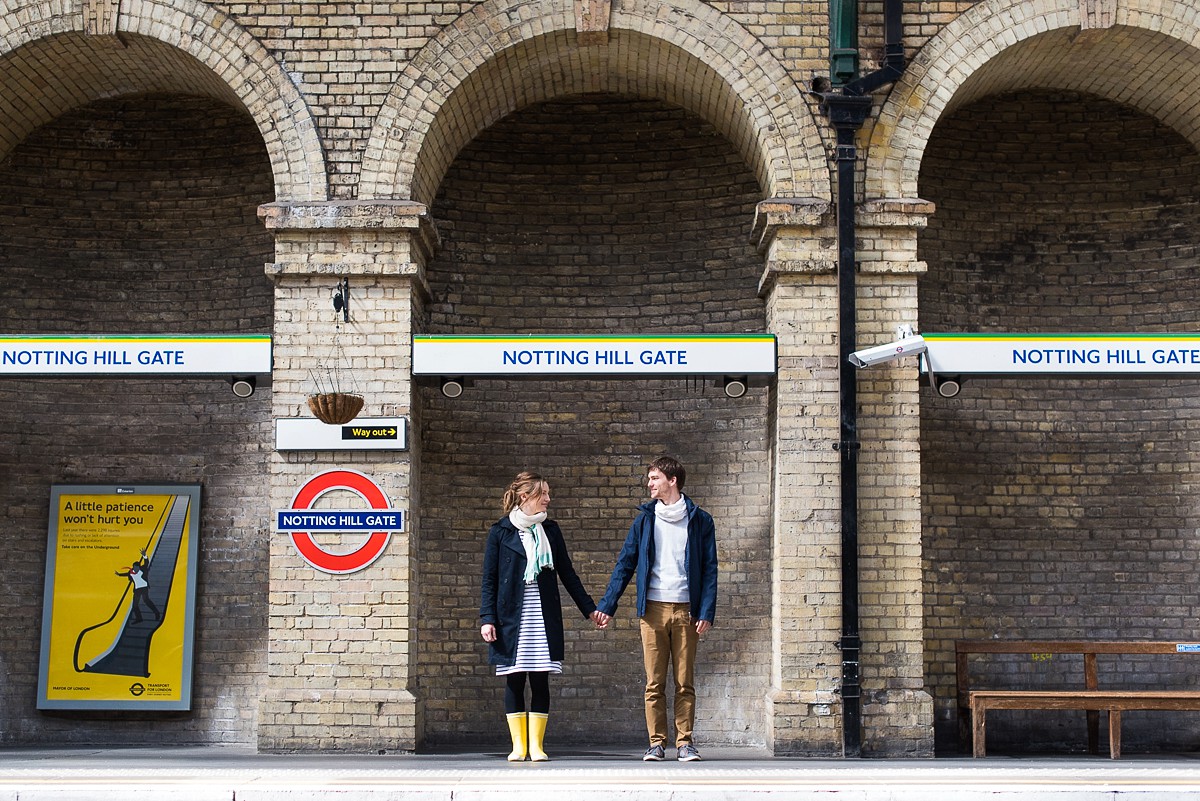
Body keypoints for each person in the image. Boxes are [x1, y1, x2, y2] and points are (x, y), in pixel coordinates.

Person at [594, 456, 718, 762]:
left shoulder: (700, 520)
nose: (649, 484)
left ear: (672, 480)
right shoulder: (645, 520)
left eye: (654, 478)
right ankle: (657, 743)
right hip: (651, 610)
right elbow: (625, 563)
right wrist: (608, 605)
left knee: (684, 681)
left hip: (687, 610)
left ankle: (685, 743)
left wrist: (706, 611)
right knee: (654, 682)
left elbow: (711, 569)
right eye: (650, 479)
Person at [480, 470, 605, 762]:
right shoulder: (501, 532)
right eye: (543, 493)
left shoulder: (551, 530)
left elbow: (568, 574)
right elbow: (489, 578)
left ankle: (536, 745)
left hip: (542, 615)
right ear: (526, 496)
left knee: (539, 680)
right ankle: (518, 746)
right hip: (510, 616)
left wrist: (589, 609)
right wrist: (487, 617)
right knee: (513, 679)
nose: (548, 499)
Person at [116, 548, 161, 625]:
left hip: (144, 587)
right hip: (137, 589)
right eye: (134, 567)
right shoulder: (131, 572)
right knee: (135, 605)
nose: (135, 569)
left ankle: (157, 613)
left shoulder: (143, 569)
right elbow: (126, 574)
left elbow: (146, 562)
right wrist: (119, 574)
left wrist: (144, 555)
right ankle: (139, 618)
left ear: (139, 567)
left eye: (136, 568)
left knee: (146, 600)